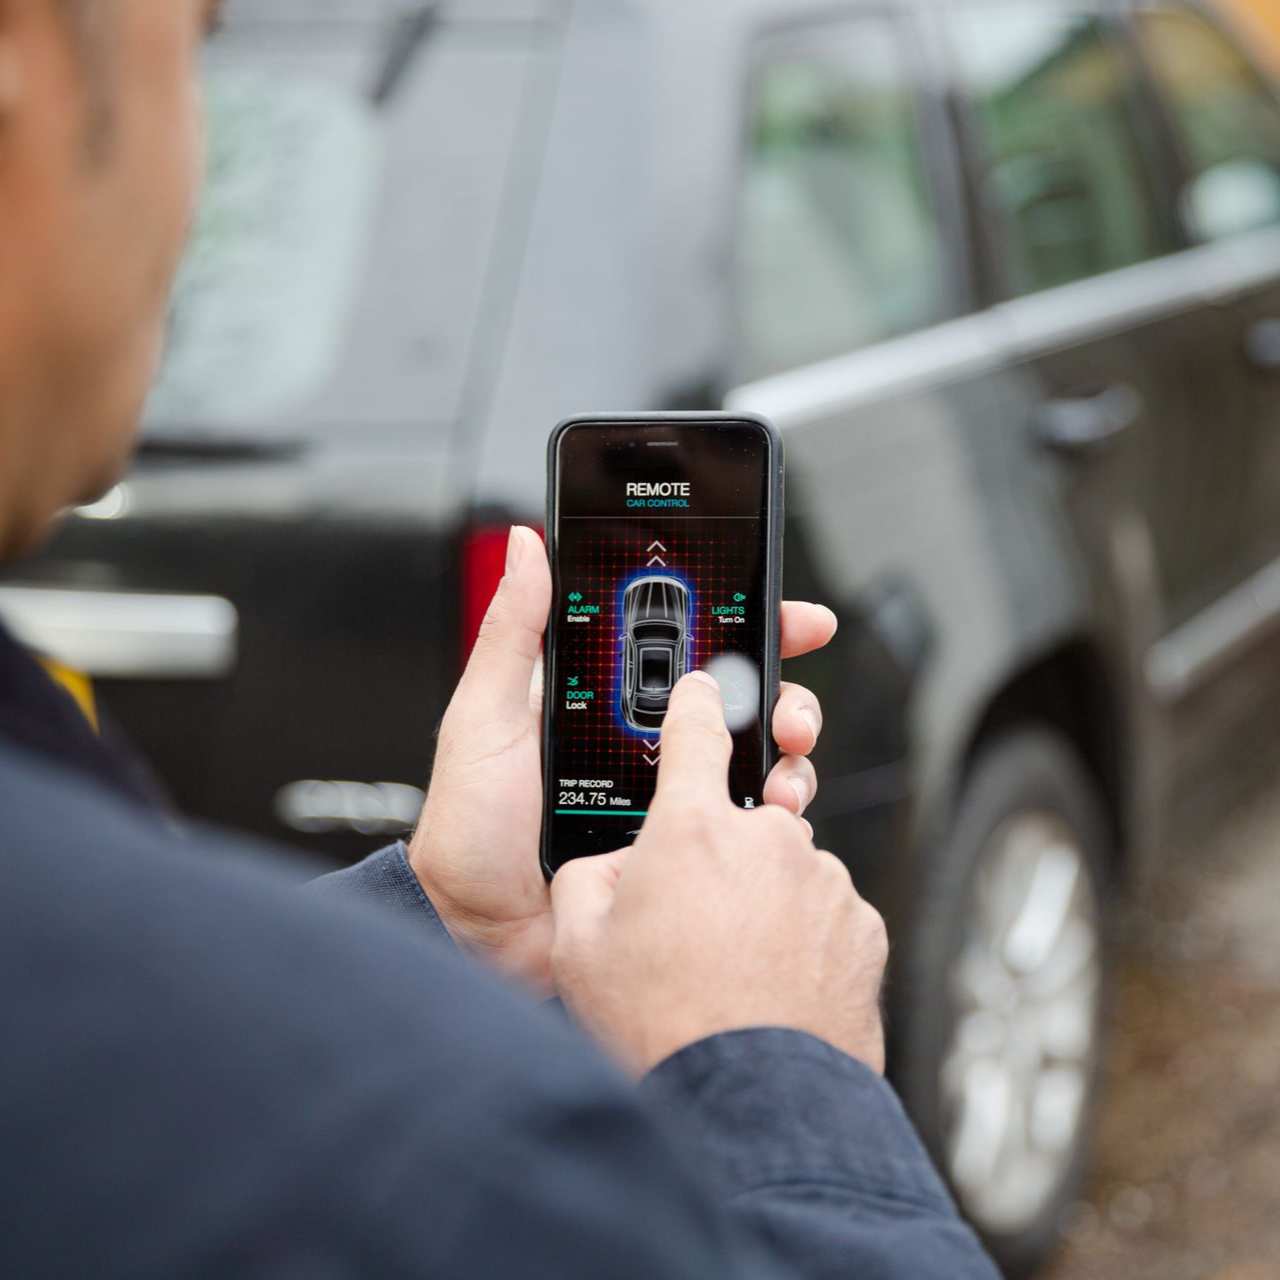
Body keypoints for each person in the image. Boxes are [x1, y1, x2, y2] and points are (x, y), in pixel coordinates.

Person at [0, 1, 999, 1276]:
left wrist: (447, 918)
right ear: (20, 57)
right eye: (197, 49)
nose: (201, 169)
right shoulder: (463, 1161)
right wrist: (770, 1064)